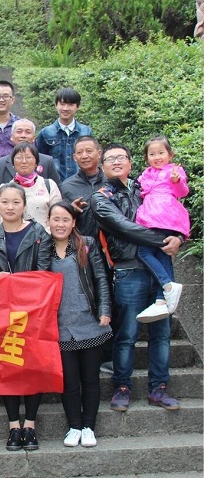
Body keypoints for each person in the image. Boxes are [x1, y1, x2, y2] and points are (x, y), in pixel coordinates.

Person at [90, 143, 183, 412]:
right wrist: (165, 240)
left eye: (122, 157)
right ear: (102, 167)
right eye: (110, 159)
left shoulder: (147, 187)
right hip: (129, 270)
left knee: (161, 333)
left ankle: (159, 388)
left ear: (131, 163)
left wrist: (179, 236)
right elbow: (125, 228)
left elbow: (171, 213)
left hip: (160, 268)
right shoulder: (101, 197)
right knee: (127, 333)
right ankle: (122, 387)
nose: (116, 162)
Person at [0, 182, 52, 451]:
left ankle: (30, 425)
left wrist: (18, 284)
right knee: (7, 367)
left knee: (33, 367)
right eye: (5, 202)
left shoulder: (39, 233)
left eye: (16, 202)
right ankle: (14, 426)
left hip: (33, 310)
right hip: (0, 311)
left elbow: (44, 272)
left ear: (24, 205)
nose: (10, 207)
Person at [47, 202, 112, 448]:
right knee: (69, 381)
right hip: (60, 325)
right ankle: (74, 426)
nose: (60, 224)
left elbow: (101, 277)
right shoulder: (43, 249)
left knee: (91, 379)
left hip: (89, 321)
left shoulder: (87, 244)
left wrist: (105, 309)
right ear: (48, 222)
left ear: (73, 222)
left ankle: (88, 427)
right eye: (56, 219)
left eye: (65, 219)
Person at [134, 136, 189, 322]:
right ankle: (162, 300)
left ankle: (167, 285)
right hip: (151, 215)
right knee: (162, 254)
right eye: (152, 154)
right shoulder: (146, 174)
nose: (157, 157)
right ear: (146, 158)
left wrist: (176, 180)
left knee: (143, 252)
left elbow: (182, 192)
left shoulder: (174, 171)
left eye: (161, 153)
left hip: (163, 215)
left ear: (170, 154)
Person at [0, 143, 62, 232]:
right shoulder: (4, 189)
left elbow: (58, 216)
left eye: (28, 157)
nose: (24, 161)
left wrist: (45, 236)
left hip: (45, 237)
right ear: (13, 164)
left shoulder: (49, 185)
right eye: (19, 157)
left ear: (36, 163)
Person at [35, 87, 93, 182]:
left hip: (81, 183)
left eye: (70, 104)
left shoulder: (86, 132)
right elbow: (40, 162)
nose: (65, 108)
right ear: (56, 105)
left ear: (77, 106)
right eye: (62, 104)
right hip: (54, 184)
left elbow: (92, 159)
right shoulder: (45, 133)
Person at [59, 136, 106, 240]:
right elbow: (61, 218)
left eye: (89, 151)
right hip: (81, 242)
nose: (84, 156)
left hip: (111, 243)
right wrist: (72, 210)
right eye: (80, 152)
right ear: (74, 157)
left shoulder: (110, 182)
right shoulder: (66, 186)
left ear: (99, 154)